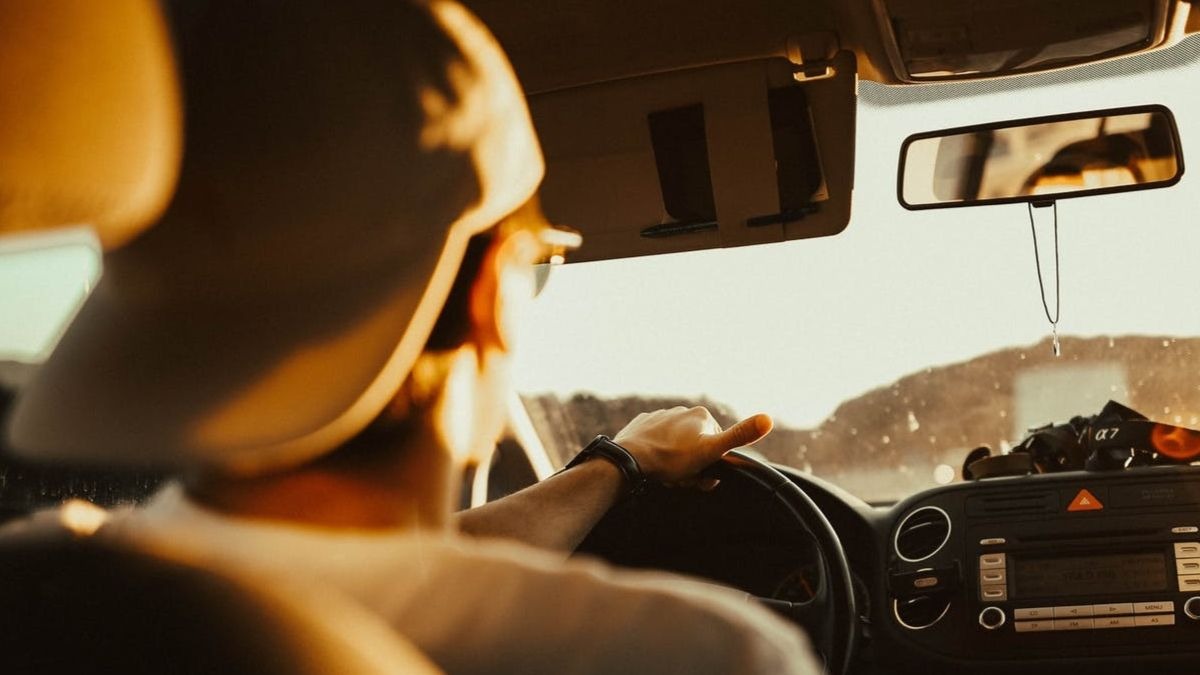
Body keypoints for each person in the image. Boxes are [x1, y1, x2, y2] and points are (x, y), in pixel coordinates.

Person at [6, 1, 819, 673]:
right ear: (490, 300)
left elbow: (377, 567)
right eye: (532, 269)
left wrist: (618, 466)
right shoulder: (708, 654)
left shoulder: (50, 597)